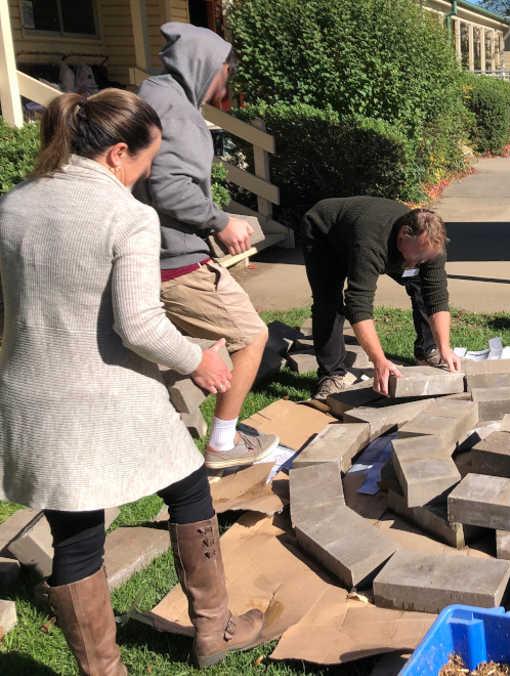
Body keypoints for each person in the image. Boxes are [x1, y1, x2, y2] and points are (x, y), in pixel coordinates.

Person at [0, 90, 265, 673]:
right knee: (192, 487)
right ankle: (214, 633)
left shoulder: (12, 205)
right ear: (119, 153)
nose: (145, 177)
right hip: (106, 393)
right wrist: (201, 360)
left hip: (31, 397)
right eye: (146, 163)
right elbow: (140, 324)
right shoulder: (127, 215)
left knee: (75, 531)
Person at [134, 22, 277, 469]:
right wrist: (220, 222)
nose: (225, 83)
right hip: (175, 260)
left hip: (157, 253)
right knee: (251, 336)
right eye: (225, 73)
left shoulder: (156, 97)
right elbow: (170, 187)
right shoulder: (172, 109)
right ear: (207, 66)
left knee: (206, 346)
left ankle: (165, 438)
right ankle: (221, 444)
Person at [300, 196, 462, 398]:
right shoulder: (371, 244)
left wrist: (444, 346)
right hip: (324, 234)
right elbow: (358, 305)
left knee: (420, 284)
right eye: (419, 257)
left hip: (367, 236)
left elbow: (437, 297)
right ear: (404, 234)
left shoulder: (430, 246)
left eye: (425, 259)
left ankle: (427, 350)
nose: (421, 262)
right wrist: (379, 360)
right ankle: (331, 375)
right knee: (328, 302)